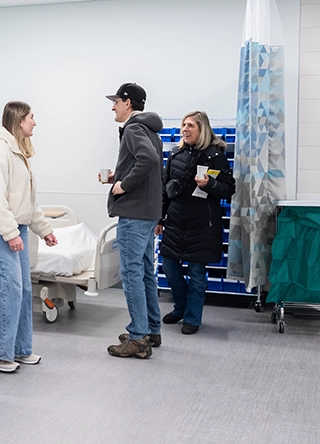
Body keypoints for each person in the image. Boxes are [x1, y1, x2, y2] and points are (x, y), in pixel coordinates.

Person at [0, 101, 57, 373]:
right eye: (32, 117)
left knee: (22, 290)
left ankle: (19, 349)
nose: (35, 122)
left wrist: (43, 229)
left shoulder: (20, 151)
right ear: (19, 120)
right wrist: (10, 233)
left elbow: (28, 202)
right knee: (8, 289)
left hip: (16, 227)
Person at [157, 111, 236, 335]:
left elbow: (229, 190)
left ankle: (192, 317)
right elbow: (164, 189)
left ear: (202, 129)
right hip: (175, 220)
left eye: (190, 125)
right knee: (170, 268)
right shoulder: (175, 154)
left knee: (197, 273)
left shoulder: (215, 156)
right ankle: (180, 308)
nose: (185, 129)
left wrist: (209, 185)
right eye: (183, 125)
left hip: (202, 223)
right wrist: (159, 218)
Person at [101, 83, 163, 359]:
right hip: (149, 212)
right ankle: (151, 329)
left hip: (135, 213)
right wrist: (120, 175)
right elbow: (150, 164)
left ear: (127, 102)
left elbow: (148, 159)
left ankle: (138, 337)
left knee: (131, 273)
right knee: (146, 271)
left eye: (115, 101)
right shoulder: (150, 129)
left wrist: (124, 185)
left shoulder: (134, 128)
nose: (112, 106)